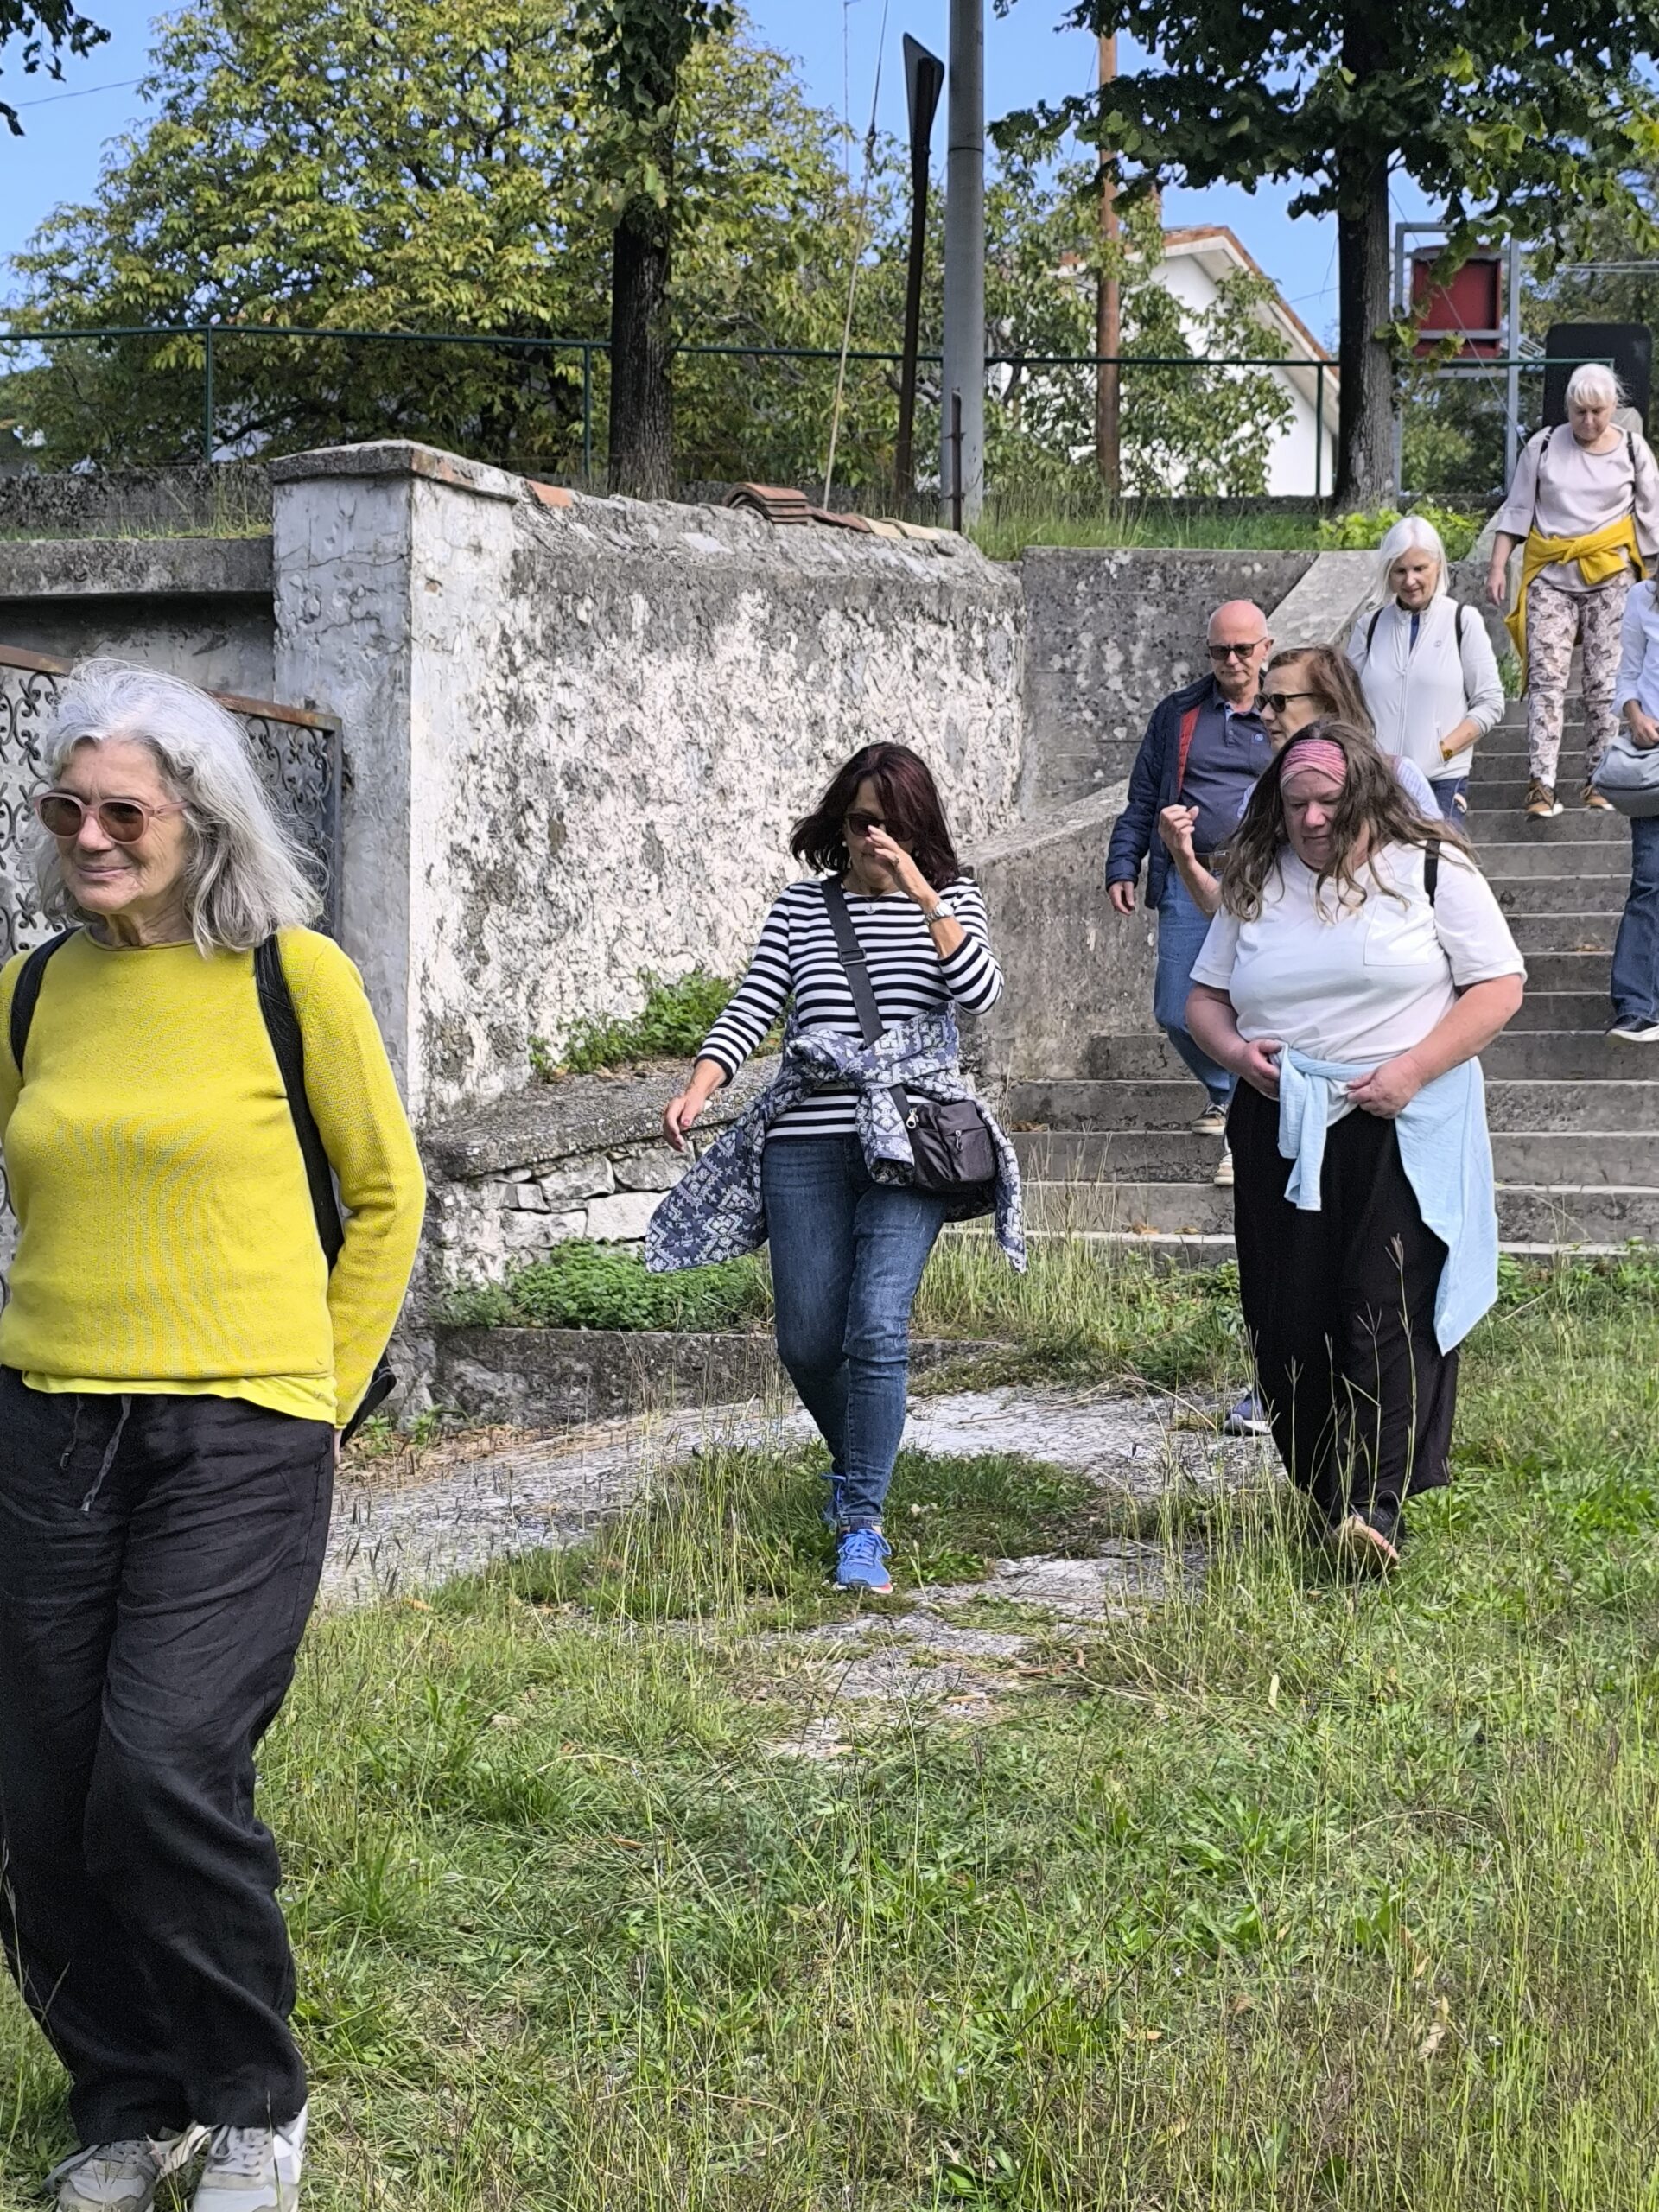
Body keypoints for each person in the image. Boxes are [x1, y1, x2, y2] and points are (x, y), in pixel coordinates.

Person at [0, 662, 425, 2212]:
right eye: (68, 809)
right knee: (41, 1798)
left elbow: (386, 1198)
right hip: (45, 1424)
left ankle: (253, 2099)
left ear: (199, 819)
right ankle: (129, 2106)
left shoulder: (290, 977)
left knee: (164, 1765)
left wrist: (322, 1397)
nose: (90, 836)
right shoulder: (30, 992)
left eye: (124, 811)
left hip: (242, 1430)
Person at [649, 744, 1020, 1596]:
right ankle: (856, 1464)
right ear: (839, 824)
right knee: (808, 1340)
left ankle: (862, 1523)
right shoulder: (801, 908)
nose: (876, 839)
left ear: (921, 828)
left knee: (877, 1325)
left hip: (912, 1142)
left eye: (895, 824)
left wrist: (923, 893)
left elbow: (982, 995)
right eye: (861, 823)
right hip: (806, 1139)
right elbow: (754, 1002)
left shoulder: (952, 899)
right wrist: (700, 1085)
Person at [1185, 721, 1525, 1572]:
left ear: (1367, 793)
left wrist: (1412, 1069)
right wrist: (1238, 1058)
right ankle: (1326, 1493)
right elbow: (1205, 1001)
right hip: (1282, 1122)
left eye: (1328, 801)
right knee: (1286, 1319)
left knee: (1383, 1307)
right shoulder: (1257, 878)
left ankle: (1376, 1507)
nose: (1311, 819)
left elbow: (1498, 986)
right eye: (1295, 802)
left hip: (1401, 1121)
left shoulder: (1432, 866)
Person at [1106, 602, 1274, 1170]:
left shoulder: (1285, 711)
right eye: (1220, 650)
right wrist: (1122, 865)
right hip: (1187, 871)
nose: (1232, 660)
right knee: (1176, 1008)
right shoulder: (1178, 713)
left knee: (1254, 1004)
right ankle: (1228, 1090)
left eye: (1243, 649)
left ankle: (1240, 1120)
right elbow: (1142, 798)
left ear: (1266, 648)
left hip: (1262, 878)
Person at [1488, 362, 1659, 817]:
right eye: (1580, 412)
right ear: (1568, 408)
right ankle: (1541, 782)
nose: (1588, 421)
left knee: (1605, 681)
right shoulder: (1543, 445)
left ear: (1613, 407)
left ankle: (1600, 777)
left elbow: (1653, 517)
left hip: (1612, 573)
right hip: (1551, 573)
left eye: (1598, 412)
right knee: (1547, 678)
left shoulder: (1632, 449)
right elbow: (1517, 510)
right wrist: (1498, 566)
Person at [1348, 516, 1504, 823]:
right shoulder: (1369, 626)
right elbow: (1347, 700)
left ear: (1438, 566)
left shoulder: (1463, 621)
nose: (1410, 581)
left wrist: (1444, 749)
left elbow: (1490, 701)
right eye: (1400, 571)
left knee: (1438, 854)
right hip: (1379, 780)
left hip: (1442, 781)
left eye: (1419, 568)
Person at [1608, 574, 1659, 1041]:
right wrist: (1635, 715)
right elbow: (1627, 675)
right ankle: (1637, 1003)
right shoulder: (1642, 597)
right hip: (1654, 759)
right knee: (1650, 878)